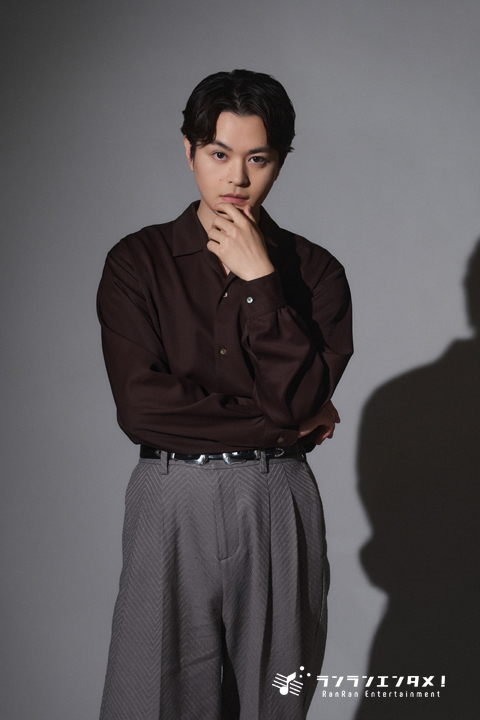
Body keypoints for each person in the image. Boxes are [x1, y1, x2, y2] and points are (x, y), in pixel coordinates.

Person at [97, 69, 353, 720]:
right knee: (151, 701)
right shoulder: (137, 262)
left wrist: (262, 281)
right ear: (189, 152)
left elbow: (297, 401)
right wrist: (285, 423)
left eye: (257, 159)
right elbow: (141, 408)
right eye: (218, 154)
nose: (236, 178)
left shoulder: (316, 273)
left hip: (276, 497)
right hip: (169, 495)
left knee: (275, 701)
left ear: (280, 161)